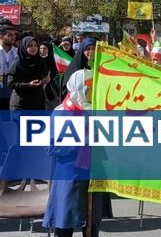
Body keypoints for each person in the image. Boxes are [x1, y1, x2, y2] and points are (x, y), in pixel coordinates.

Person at [43, 69, 104, 237]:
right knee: (65, 221)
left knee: (91, 224)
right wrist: (81, 141)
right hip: (69, 175)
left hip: (93, 173)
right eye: (90, 89)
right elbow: (52, 147)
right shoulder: (61, 112)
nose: (94, 93)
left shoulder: (97, 111)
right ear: (79, 89)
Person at [7, 36, 49, 111]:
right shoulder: (18, 63)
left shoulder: (40, 61)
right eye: (30, 46)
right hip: (20, 105)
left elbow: (44, 77)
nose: (34, 48)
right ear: (24, 47)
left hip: (38, 104)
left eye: (36, 45)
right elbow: (10, 83)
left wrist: (47, 80)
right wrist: (28, 85)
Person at [0, 22, 18, 115]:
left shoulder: (17, 52)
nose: (13, 37)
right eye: (10, 35)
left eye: (14, 34)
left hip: (12, 87)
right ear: (1, 36)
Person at [39, 40, 60, 109]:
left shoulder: (51, 59)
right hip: (38, 85)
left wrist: (50, 78)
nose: (42, 50)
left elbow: (54, 71)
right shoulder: (36, 59)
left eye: (45, 48)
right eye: (41, 48)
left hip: (50, 86)